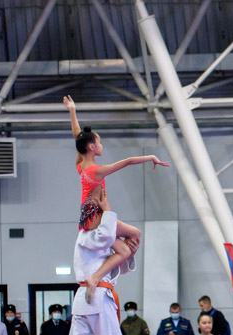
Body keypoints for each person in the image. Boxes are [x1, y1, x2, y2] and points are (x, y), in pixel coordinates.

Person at [64, 96, 167, 303]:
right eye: (99, 142)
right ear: (91, 147)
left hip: (89, 216)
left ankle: (100, 272)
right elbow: (127, 162)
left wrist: (72, 111)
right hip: (97, 218)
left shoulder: (81, 165)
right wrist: (151, 157)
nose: (101, 145)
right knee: (134, 236)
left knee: (127, 246)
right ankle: (97, 275)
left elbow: (77, 135)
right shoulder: (97, 170)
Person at [41, 192, 134, 335]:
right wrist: (108, 209)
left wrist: (127, 245)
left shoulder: (91, 240)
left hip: (85, 297)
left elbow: (119, 258)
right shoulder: (89, 236)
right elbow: (108, 236)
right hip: (98, 296)